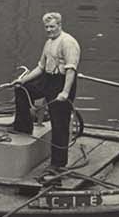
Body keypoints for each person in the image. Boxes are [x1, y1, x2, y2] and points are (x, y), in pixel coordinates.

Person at [5, 10, 81, 170]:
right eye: (46, 27)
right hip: (47, 79)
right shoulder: (49, 42)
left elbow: (71, 70)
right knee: (22, 90)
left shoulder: (68, 42)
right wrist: (20, 81)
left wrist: (65, 92)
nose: (49, 30)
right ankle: (23, 126)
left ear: (59, 25)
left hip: (62, 82)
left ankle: (58, 163)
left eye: (52, 26)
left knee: (59, 123)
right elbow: (40, 67)